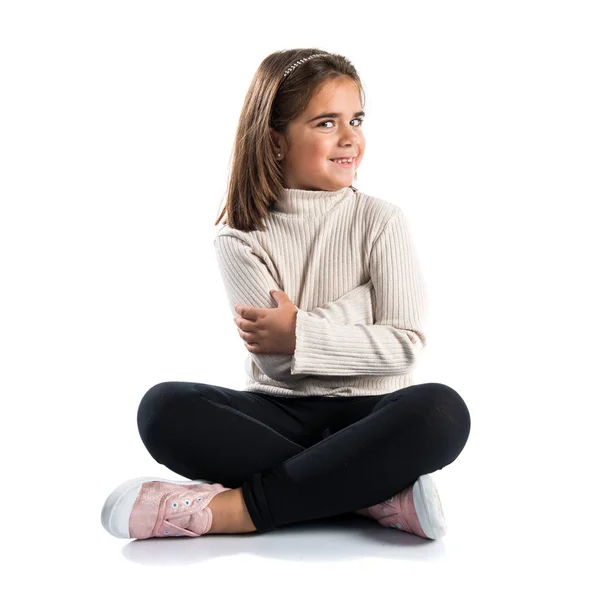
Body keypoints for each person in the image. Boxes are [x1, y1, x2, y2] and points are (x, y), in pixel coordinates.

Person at [100, 49, 471, 542]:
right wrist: (361, 306)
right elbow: (277, 364)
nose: (350, 138)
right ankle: (370, 491)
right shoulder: (239, 236)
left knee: (441, 411)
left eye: (356, 119)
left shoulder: (381, 221)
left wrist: (299, 330)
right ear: (276, 141)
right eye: (325, 123)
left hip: (374, 411)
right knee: (163, 408)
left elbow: (404, 346)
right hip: (280, 415)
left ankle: (235, 511)